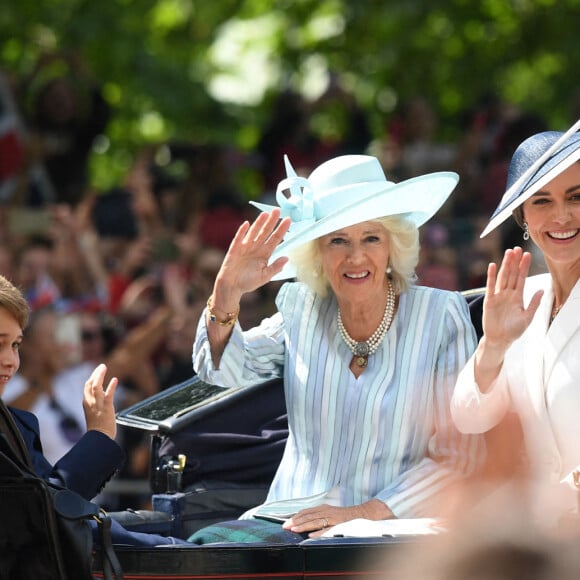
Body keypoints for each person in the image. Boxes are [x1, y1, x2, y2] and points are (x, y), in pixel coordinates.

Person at [190, 153, 484, 543]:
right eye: (338, 240)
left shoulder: (440, 315)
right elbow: (223, 371)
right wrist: (225, 294)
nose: (356, 256)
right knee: (208, 549)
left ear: (393, 246)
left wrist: (362, 515)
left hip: (394, 531)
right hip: (290, 522)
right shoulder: (301, 309)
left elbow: (459, 456)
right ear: (317, 253)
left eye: (371, 238)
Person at [0, 273, 191, 547]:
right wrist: (99, 434)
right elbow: (44, 512)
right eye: (53, 335)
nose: (63, 342)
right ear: (35, 344)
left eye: (14, 344)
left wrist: (167, 313)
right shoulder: (16, 396)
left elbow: (126, 357)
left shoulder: (73, 378)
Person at [451, 120, 580, 524]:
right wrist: (494, 343)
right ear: (522, 215)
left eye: (576, 197)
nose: (561, 216)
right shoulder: (521, 299)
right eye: (541, 201)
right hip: (543, 536)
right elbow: (470, 418)